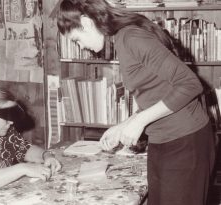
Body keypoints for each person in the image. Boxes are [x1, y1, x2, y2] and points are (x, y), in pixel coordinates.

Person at [56, 0, 215, 204]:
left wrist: (139, 122)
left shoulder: (131, 37)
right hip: (164, 139)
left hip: (185, 142)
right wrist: (125, 124)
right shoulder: (122, 38)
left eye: (77, 39)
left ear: (86, 23)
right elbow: (157, 91)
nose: (82, 47)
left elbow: (190, 84)